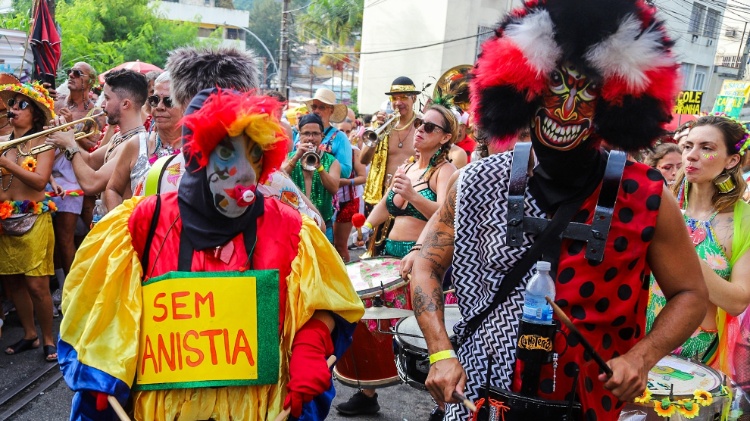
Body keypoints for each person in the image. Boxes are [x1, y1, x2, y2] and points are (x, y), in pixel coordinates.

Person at [406, 1, 708, 420]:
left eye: (586, 92)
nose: (568, 109)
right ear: (524, 90)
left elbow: (691, 294)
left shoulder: (646, 195)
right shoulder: (476, 182)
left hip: (584, 405)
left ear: (613, 101)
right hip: (478, 399)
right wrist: (440, 351)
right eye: (556, 88)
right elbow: (425, 266)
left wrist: (641, 358)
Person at [58, 89, 364, 420]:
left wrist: (311, 345)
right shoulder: (142, 223)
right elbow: (101, 305)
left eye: (255, 155)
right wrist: (102, 371)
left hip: (259, 410)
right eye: (226, 153)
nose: (245, 172)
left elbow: (325, 303)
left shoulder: (291, 229)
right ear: (197, 156)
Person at [337, 104, 458, 416]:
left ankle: (442, 403)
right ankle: (368, 391)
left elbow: (447, 216)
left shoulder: (445, 172)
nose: (420, 129)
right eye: (420, 123)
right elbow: (385, 209)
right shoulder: (407, 168)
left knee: (427, 329)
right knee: (377, 323)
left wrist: (415, 196)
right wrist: (363, 228)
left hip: (424, 261)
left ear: (445, 138)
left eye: (430, 127)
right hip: (390, 256)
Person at [142, 46, 323, 231]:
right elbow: (316, 227)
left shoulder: (159, 173)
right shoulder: (268, 180)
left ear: (182, 107)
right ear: (244, 106)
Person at [646, 115, 750, 374]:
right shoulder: (658, 205)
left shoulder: (743, 220)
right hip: (642, 345)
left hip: (699, 360)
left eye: (707, 148)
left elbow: (737, 301)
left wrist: (683, 250)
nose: (691, 155)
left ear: (732, 160)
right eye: (688, 146)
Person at [0, 81, 58, 362]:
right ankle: (28, 334)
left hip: (34, 218)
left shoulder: (45, 143)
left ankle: (48, 338)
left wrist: (7, 162)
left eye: (21, 104)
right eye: (12, 104)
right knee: (15, 284)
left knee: (37, 286)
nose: (13, 109)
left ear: (35, 114)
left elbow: (40, 180)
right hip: (5, 219)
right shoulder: (2, 141)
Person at [45, 69, 148, 197]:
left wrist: (70, 145)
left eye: (107, 98)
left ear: (125, 104)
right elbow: (90, 161)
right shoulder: (120, 136)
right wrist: (67, 134)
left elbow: (92, 184)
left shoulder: (135, 143)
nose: (102, 105)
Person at [103, 71, 181, 210]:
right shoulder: (137, 144)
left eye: (168, 101)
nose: (159, 107)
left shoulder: (197, 149)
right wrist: (121, 226)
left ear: (186, 104)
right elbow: (113, 189)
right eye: (154, 100)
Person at [361, 77, 420, 215]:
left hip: (410, 197)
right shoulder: (383, 125)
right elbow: (363, 160)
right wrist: (377, 131)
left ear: (414, 98)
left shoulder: (422, 126)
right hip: (379, 195)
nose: (398, 103)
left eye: (404, 97)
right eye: (394, 98)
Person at [283, 114, 341, 241]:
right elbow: (279, 179)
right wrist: (296, 157)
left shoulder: (332, 161)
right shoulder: (289, 157)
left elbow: (334, 189)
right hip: (294, 225)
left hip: (323, 225)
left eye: (315, 134)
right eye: (306, 133)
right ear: (299, 135)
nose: (310, 138)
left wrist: (319, 167)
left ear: (322, 136)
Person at [298, 88, 353, 179]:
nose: (316, 111)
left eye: (322, 107)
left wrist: (320, 161)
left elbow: (346, 171)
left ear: (331, 111)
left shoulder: (340, 137)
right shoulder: (301, 132)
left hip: (325, 189)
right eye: (314, 107)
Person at [333, 119, 367, 262]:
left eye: (348, 131)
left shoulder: (354, 151)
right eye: (342, 131)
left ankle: (345, 279)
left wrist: (345, 182)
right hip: (330, 201)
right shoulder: (329, 148)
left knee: (340, 246)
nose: (345, 134)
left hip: (349, 202)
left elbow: (363, 177)